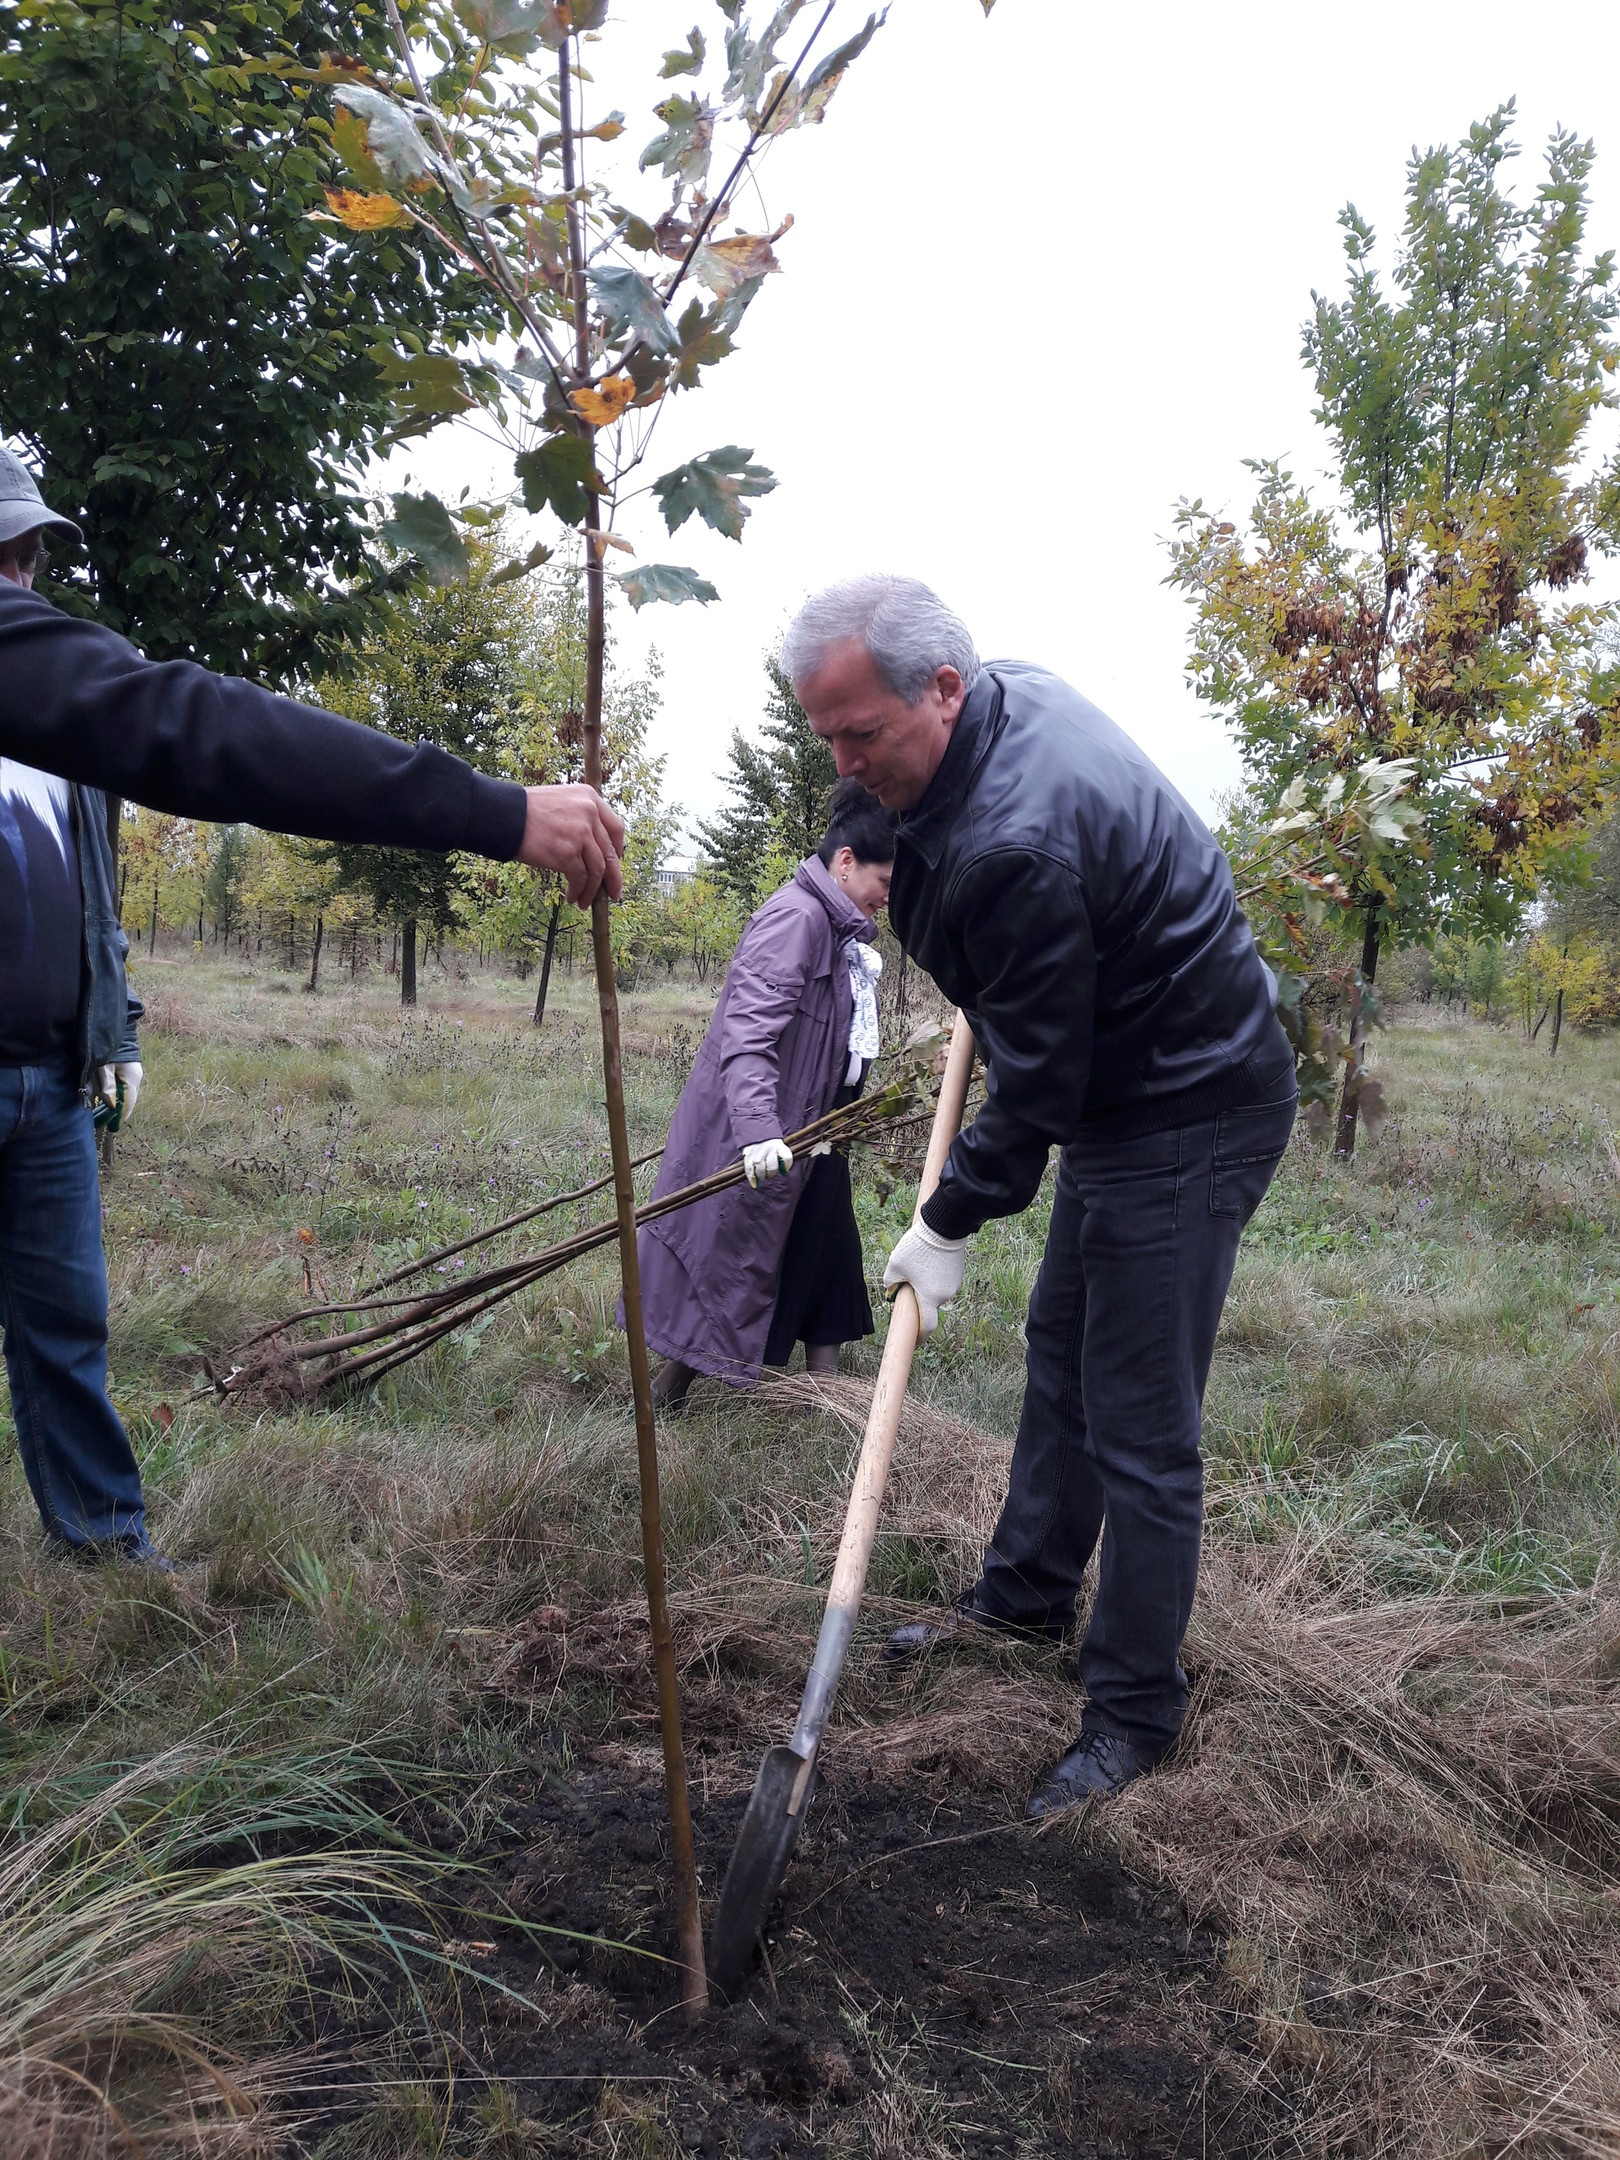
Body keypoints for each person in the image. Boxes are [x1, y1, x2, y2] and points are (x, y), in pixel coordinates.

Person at [0, 447, 624, 1567]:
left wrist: (111, 1025)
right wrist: (494, 811)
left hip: (45, 1079)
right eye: (5, 558)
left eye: (27, 554)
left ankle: (100, 1548)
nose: (24, 582)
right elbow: (200, 728)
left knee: (65, 1328)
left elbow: (83, 892)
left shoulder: (52, 735)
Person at [782, 575, 1298, 1813]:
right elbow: (1030, 1023)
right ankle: (1021, 1598)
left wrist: (948, 1215)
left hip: (1187, 1107)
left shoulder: (1019, 839)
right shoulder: (994, 715)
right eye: (830, 739)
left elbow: (1042, 1085)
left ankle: (1132, 1713)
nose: (848, 770)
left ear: (943, 689)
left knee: (1140, 1421)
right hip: (1132, 1088)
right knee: (1061, 1348)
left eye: (865, 736)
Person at [638, 779, 896, 1408]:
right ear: (844, 863)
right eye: (882, 883)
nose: (887, 899)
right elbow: (747, 1035)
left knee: (827, 1242)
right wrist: (758, 1133)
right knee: (729, 1263)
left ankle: (823, 1396)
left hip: (814, 1133)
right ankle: (661, 1395)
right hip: (763, 1134)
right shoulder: (796, 920)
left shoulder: (836, 930)